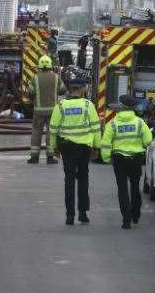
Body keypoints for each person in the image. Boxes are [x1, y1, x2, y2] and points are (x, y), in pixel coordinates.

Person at [49, 75, 101, 226]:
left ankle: (69, 216)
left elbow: (53, 129)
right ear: (84, 89)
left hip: (67, 147)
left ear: (70, 89)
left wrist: (54, 147)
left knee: (69, 180)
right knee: (83, 179)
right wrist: (97, 147)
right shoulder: (88, 105)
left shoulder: (60, 106)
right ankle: (83, 213)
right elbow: (96, 128)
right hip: (84, 148)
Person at [101, 94, 152, 229]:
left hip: (119, 160)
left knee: (122, 189)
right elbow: (148, 141)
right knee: (135, 187)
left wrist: (106, 158)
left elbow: (106, 143)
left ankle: (126, 220)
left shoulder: (112, 124)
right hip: (136, 159)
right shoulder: (140, 123)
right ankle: (136, 214)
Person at [26, 55, 66, 164]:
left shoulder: (35, 78)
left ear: (39, 65)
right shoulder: (56, 77)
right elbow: (63, 90)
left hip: (38, 111)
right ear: (50, 65)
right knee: (51, 133)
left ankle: (34, 156)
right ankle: (50, 156)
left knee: (36, 132)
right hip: (53, 111)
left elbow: (30, 92)